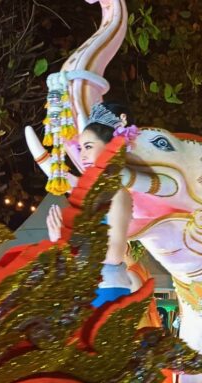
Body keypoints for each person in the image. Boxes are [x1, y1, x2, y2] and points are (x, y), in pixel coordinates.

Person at [47, 101, 137, 307]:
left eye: (88, 147)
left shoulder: (117, 194)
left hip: (107, 290)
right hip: (83, 287)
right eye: (80, 148)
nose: (83, 155)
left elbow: (114, 253)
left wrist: (67, 239)